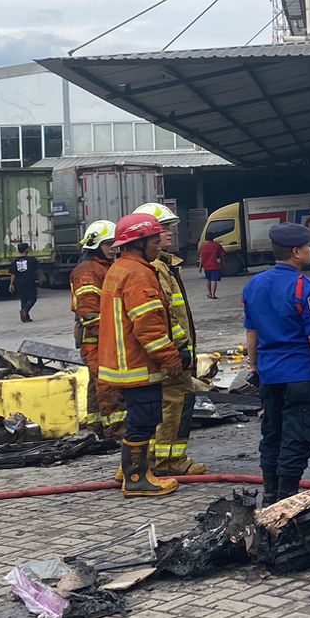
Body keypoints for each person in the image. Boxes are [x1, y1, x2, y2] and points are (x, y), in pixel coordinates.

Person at [242, 223, 310, 502]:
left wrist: (254, 366)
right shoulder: (304, 286)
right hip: (300, 375)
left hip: (269, 375)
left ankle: (270, 492)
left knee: (272, 433)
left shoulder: (254, 285)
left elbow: (251, 333)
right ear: (296, 252)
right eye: (308, 246)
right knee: (298, 436)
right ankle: (286, 495)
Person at [97, 212, 185, 498]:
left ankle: (129, 469)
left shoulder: (120, 268)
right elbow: (148, 325)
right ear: (139, 242)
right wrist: (170, 358)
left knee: (137, 416)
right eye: (154, 241)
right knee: (144, 418)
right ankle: (136, 479)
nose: (158, 246)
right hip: (138, 365)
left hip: (122, 363)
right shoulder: (137, 273)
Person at [132, 203, 204, 476]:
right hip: (171, 353)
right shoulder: (156, 269)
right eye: (163, 229)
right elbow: (163, 316)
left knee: (177, 404)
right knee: (174, 405)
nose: (169, 233)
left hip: (174, 350)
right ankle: (167, 462)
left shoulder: (165, 265)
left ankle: (168, 459)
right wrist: (178, 349)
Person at [69, 220, 119, 442]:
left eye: (114, 243)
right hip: (95, 338)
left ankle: (96, 424)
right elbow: (89, 311)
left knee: (97, 382)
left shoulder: (103, 266)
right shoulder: (87, 271)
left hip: (102, 336)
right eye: (108, 244)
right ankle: (115, 429)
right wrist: (110, 337)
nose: (113, 248)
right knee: (108, 383)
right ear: (95, 245)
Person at [8, 242, 38, 323]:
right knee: (33, 298)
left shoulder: (14, 261)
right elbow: (37, 270)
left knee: (23, 299)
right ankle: (25, 311)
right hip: (29, 281)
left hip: (19, 282)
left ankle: (25, 317)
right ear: (26, 250)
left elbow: (13, 274)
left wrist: (11, 284)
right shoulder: (31, 260)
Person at [199, 232, 225, 300]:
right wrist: (223, 263)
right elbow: (222, 255)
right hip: (215, 265)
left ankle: (210, 293)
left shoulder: (203, 246)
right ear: (213, 237)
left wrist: (200, 267)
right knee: (214, 280)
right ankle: (213, 295)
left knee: (208, 279)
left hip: (206, 266)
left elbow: (201, 258)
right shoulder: (217, 245)